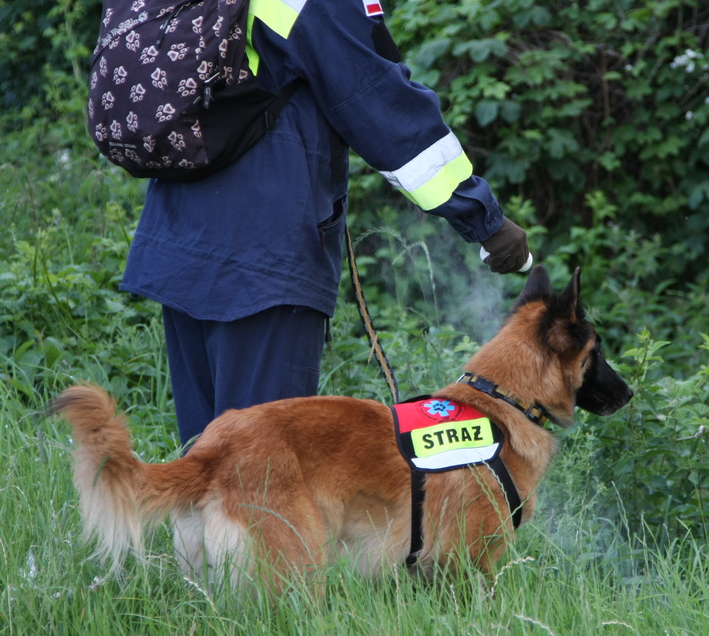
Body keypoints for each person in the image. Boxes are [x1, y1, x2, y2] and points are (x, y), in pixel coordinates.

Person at [119, 0, 530, 448]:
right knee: (264, 476)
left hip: (177, 239)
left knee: (203, 465)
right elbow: (380, 105)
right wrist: (483, 218)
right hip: (263, 256)